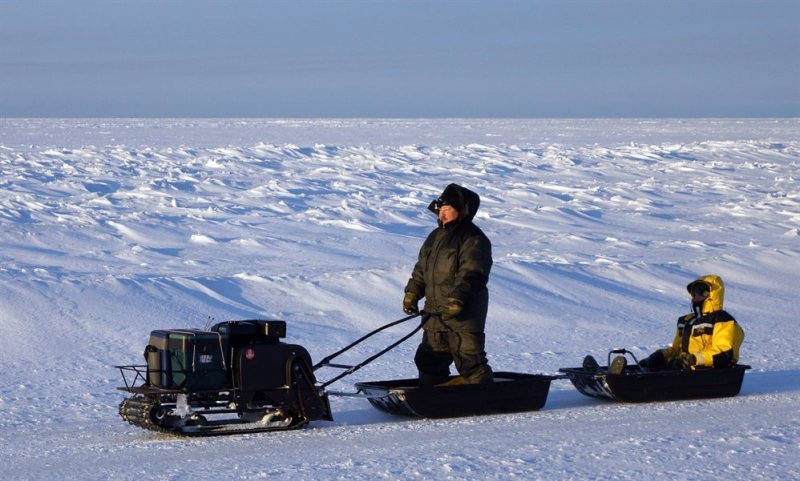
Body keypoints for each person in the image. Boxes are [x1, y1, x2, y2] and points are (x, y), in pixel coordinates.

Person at [402, 183, 494, 386]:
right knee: (429, 359)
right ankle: (432, 396)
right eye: (440, 210)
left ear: (462, 211)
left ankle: (482, 395)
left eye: (447, 210)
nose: (441, 215)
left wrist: (457, 300)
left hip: (463, 313)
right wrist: (412, 294)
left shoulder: (473, 238)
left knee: (469, 359)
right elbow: (421, 270)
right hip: (434, 313)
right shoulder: (435, 237)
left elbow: (473, 273)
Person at [592, 274, 745, 375]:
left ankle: (625, 382)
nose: (696, 296)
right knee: (650, 369)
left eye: (702, 291)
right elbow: (677, 350)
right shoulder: (687, 320)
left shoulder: (723, 320)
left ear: (712, 294)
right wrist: (661, 356)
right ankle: (612, 375)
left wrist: (692, 360)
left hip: (710, 373)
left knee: (661, 374)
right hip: (685, 369)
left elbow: (724, 353)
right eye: (694, 292)